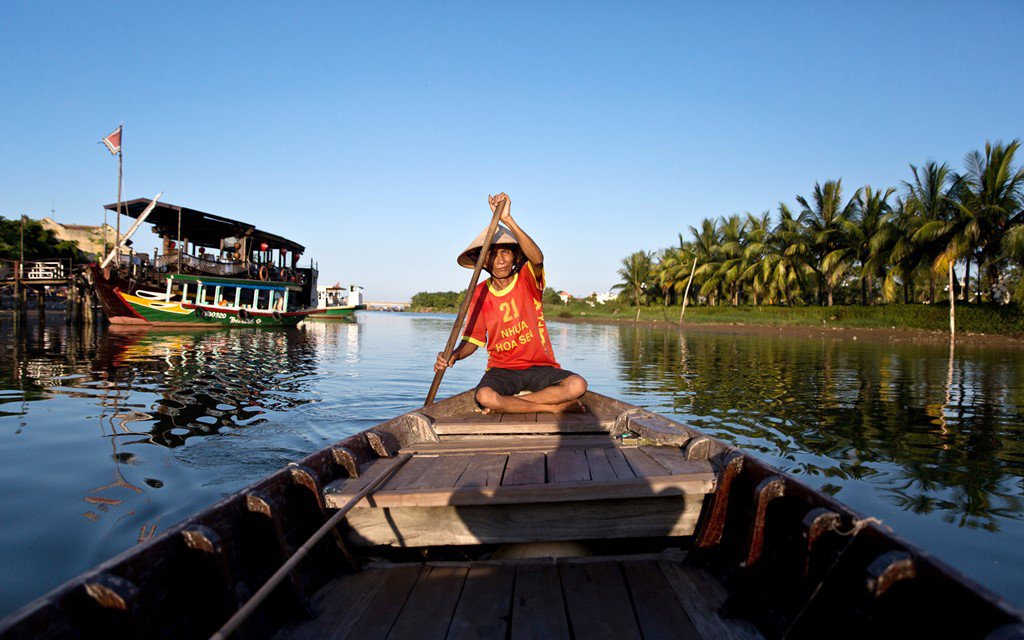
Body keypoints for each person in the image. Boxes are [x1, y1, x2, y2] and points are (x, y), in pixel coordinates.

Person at [434, 193, 588, 414]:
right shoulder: (479, 292)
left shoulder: (526, 279)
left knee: (577, 385)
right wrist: (453, 356)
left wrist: (508, 219)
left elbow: (537, 258)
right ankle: (551, 408)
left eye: (506, 252)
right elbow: (473, 340)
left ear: (515, 256)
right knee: (484, 395)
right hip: (502, 370)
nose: (501, 260)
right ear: (483, 261)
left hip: (539, 368)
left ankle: (513, 403)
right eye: (493, 255)